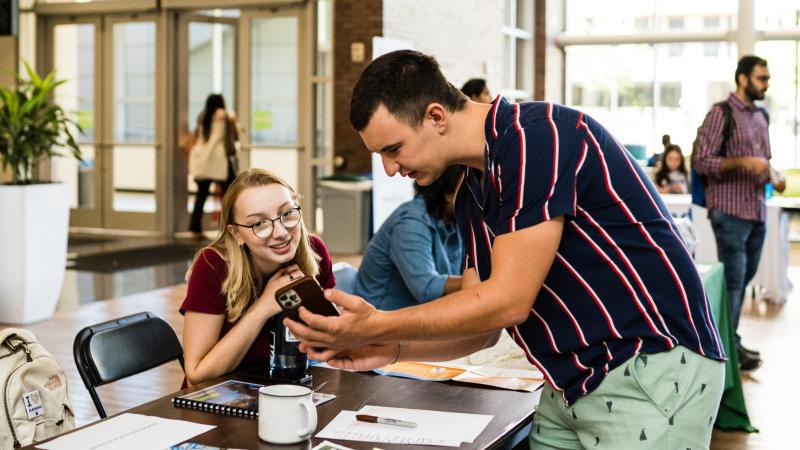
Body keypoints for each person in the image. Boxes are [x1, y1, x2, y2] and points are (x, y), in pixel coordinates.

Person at [285, 50, 726, 449]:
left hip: (647, 365)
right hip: (568, 380)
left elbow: (508, 302)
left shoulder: (540, 138)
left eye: (393, 148)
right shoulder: (473, 189)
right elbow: (481, 326)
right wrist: (393, 347)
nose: (389, 167)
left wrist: (376, 324)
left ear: (436, 116)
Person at [180, 168, 335, 386]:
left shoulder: (313, 251)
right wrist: (264, 307)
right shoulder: (213, 265)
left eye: (287, 213)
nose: (280, 232)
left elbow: (332, 341)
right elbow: (197, 374)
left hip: (291, 391)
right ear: (236, 234)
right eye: (259, 224)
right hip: (223, 404)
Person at [694, 55, 785, 372]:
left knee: (742, 282)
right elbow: (702, 162)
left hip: (756, 211)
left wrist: (773, 174)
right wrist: (743, 162)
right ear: (743, 79)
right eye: (762, 78)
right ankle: (725, 356)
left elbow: (764, 160)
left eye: (768, 78)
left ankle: (730, 340)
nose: (766, 83)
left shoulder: (761, 116)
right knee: (733, 283)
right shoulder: (721, 113)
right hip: (729, 211)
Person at [354, 165, 463, 311]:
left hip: (416, 316)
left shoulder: (455, 222)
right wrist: (481, 281)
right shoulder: (410, 223)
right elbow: (426, 288)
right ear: (448, 194)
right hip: (380, 320)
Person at [188, 94, 240, 237]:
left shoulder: (203, 115)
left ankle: (195, 229)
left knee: (201, 195)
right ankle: (231, 228)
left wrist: (202, 154)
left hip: (204, 159)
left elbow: (200, 136)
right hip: (218, 159)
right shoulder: (222, 114)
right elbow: (218, 136)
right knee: (231, 194)